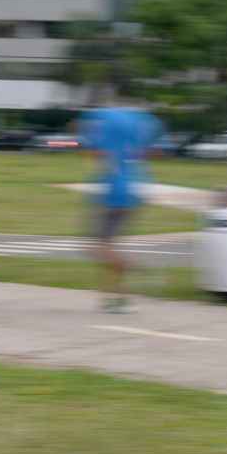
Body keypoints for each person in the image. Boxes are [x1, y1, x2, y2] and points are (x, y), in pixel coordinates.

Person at [80, 104, 165, 313]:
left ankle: (139, 271)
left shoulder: (101, 117)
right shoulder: (139, 118)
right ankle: (115, 298)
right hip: (135, 188)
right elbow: (153, 147)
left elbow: (95, 149)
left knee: (97, 248)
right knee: (109, 245)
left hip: (114, 193)